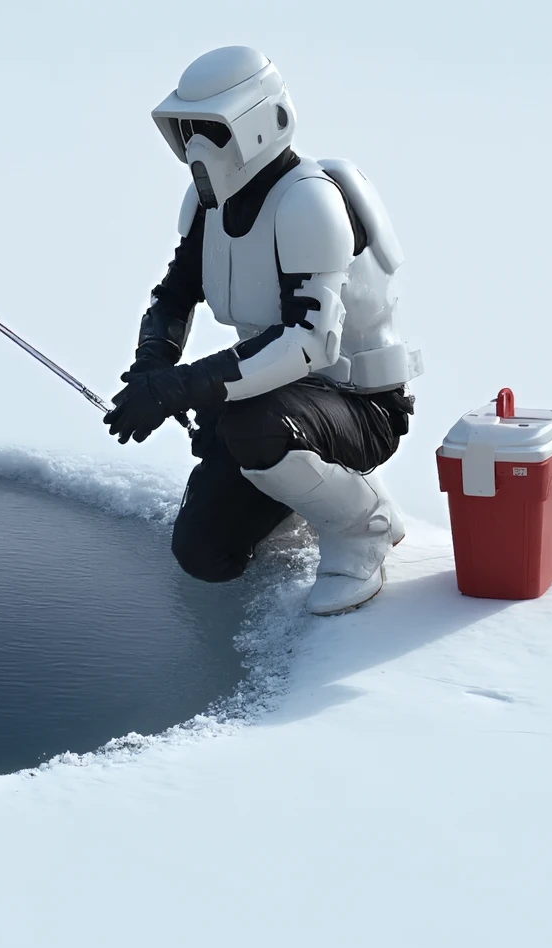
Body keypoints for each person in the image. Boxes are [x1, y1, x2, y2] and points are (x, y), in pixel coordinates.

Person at [105, 45, 421, 615]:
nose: (197, 149)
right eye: (187, 130)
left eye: (212, 131)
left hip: (361, 406)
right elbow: (174, 294)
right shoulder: (210, 210)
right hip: (279, 401)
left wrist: (185, 388)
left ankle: (362, 527)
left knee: (251, 426)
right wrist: (153, 364)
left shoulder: (308, 202)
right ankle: (312, 490)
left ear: (258, 122)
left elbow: (309, 341)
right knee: (206, 554)